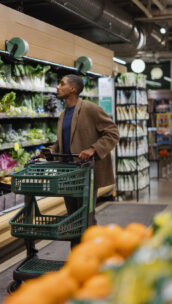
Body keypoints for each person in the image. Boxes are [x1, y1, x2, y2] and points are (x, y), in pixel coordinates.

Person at [41, 74, 119, 248]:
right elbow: (63, 142)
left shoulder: (90, 109)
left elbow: (113, 132)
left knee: (86, 218)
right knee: (73, 218)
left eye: (62, 83)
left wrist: (93, 149)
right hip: (68, 173)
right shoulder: (63, 114)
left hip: (86, 173)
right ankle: (78, 256)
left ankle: (93, 254)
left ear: (73, 89)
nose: (58, 87)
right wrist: (52, 150)